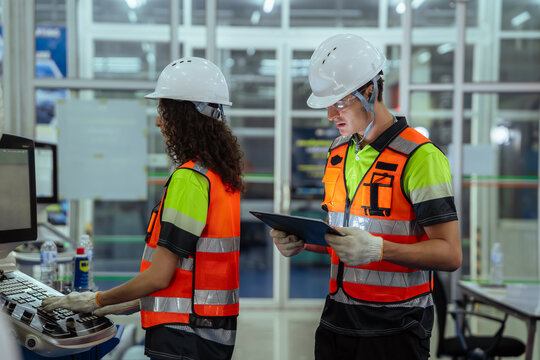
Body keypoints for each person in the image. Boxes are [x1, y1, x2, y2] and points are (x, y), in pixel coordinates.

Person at [271, 34, 462, 360]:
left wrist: (380, 249)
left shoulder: (421, 157)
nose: (331, 114)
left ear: (370, 90)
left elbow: (450, 254)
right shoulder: (338, 151)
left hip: (397, 326)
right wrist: (304, 240)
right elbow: (345, 235)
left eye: (340, 102)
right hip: (338, 318)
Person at [42, 57, 244, 360]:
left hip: (184, 337)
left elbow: (160, 275)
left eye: (164, 112)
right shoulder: (219, 177)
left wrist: (94, 300)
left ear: (185, 117)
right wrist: (113, 304)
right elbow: (186, 278)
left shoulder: (190, 179)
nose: (159, 122)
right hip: (210, 333)